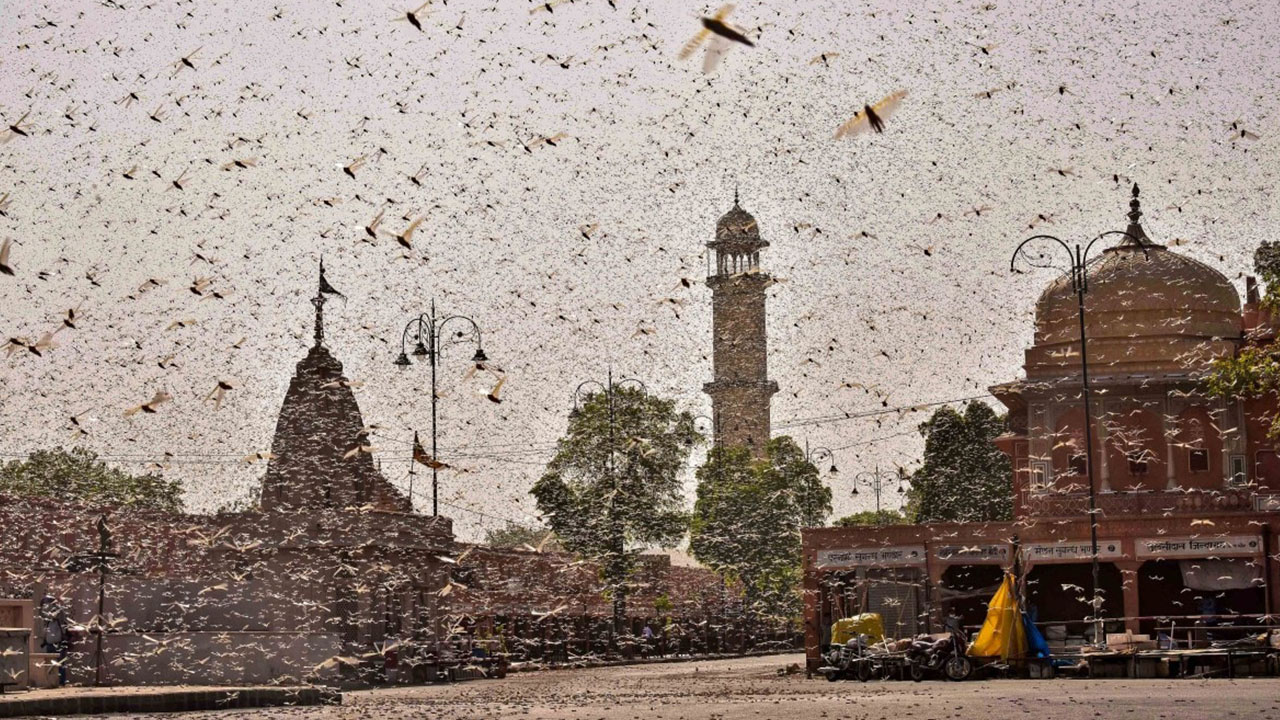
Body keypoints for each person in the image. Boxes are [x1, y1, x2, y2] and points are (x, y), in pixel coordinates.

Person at [39, 596, 69, 685]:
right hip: (49, 644)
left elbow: (58, 614)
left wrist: (56, 604)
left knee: (60, 664)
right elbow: (43, 614)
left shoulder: (59, 615)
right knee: (51, 665)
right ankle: (51, 682)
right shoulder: (48, 620)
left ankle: (61, 682)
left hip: (59, 643)